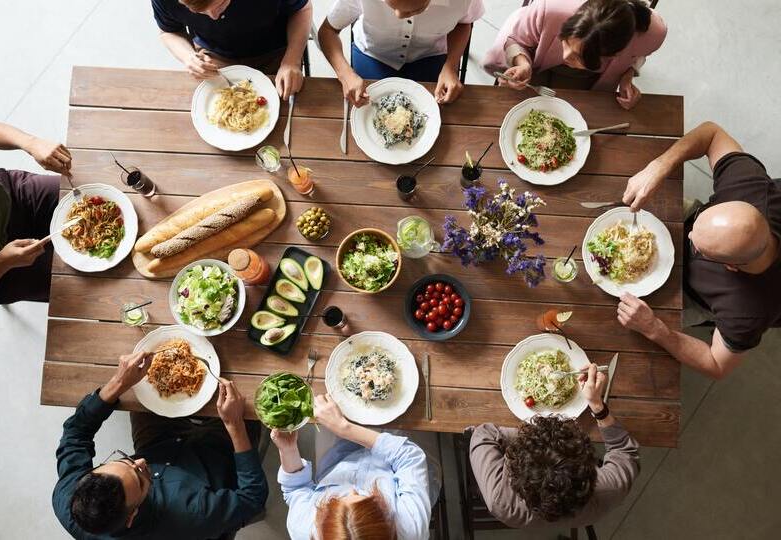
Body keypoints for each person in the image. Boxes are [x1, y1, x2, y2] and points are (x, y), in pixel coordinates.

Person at [618, 121, 781, 379]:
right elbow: (711, 133)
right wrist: (659, 166)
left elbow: (716, 364)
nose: (687, 234)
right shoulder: (750, 187)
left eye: (697, 244)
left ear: (730, 266)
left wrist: (656, 329)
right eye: (696, 229)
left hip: (690, 294)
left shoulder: (747, 313)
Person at [52, 352, 269, 539]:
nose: (140, 461)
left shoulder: (68, 498)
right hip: (214, 459)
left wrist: (119, 382)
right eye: (139, 477)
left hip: (158, 444)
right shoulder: (192, 516)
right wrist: (235, 425)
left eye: (124, 460)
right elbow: (252, 498)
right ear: (132, 517)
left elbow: (76, 434)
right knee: (249, 393)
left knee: (146, 387)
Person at [470, 364, 640, 527]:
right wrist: (597, 405)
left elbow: (482, 434)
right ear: (590, 467)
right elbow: (624, 451)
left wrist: (524, 440)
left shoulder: (499, 501)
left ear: (514, 474)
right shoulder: (611, 489)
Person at [272, 393, 439, 539]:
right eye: (364, 496)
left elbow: (296, 489)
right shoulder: (411, 528)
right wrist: (344, 428)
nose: (351, 490)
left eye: (335, 499)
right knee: (419, 407)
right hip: (398, 464)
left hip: (338, 457)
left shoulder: (302, 529)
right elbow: (409, 456)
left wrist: (288, 450)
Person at [484, 0, 666, 109]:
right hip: (536, 59)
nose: (565, 56)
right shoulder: (552, 8)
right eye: (565, 41)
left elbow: (637, 57)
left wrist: (627, 77)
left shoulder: (652, 34)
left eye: (579, 57)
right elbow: (517, 39)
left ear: (613, 55)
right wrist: (522, 63)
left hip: (591, 81)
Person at [318, 0, 485, 107]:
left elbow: (464, 24)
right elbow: (328, 31)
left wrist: (451, 66)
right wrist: (345, 74)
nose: (398, 16)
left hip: (430, 56)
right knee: (362, 113)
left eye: (415, 9)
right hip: (372, 54)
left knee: (440, 115)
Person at [0, 120, 70, 305]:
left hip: (11, 195)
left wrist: (31, 143)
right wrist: (1, 263)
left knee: (95, 200)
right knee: (86, 282)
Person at [151, 0, 313, 100]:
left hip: (275, 51)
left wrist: (292, 60)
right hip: (214, 56)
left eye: (220, 4)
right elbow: (168, 31)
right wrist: (188, 57)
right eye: (199, 12)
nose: (213, 16)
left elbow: (302, 9)